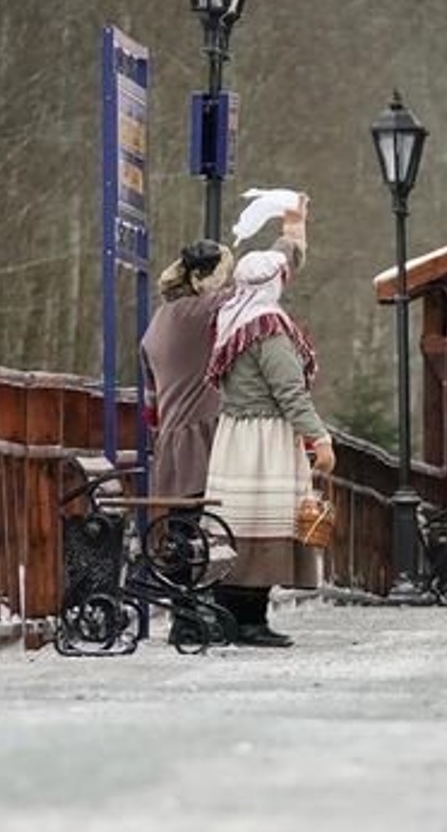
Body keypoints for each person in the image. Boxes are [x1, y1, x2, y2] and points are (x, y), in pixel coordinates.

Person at [141, 200, 306, 645]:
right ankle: (242, 617)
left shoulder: (159, 321)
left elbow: (151, 401)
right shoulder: (203, 312)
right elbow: (260, 281)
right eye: (223, 272)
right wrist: (290, 236)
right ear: (199, 278)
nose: (232, 280)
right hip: (207, 438)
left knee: (188, 532)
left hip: (173, 443)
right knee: (238, 525)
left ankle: (190, 616)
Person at [203, 247, 335, 648]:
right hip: (264, 440)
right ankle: (250, 620)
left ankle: (231, 614)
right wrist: (320, 438)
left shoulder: (230, 319)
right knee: (264, 525)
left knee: (238, 526)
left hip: (235, 436)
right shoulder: (269, 327)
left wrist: (294, 234)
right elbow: (290, 391)